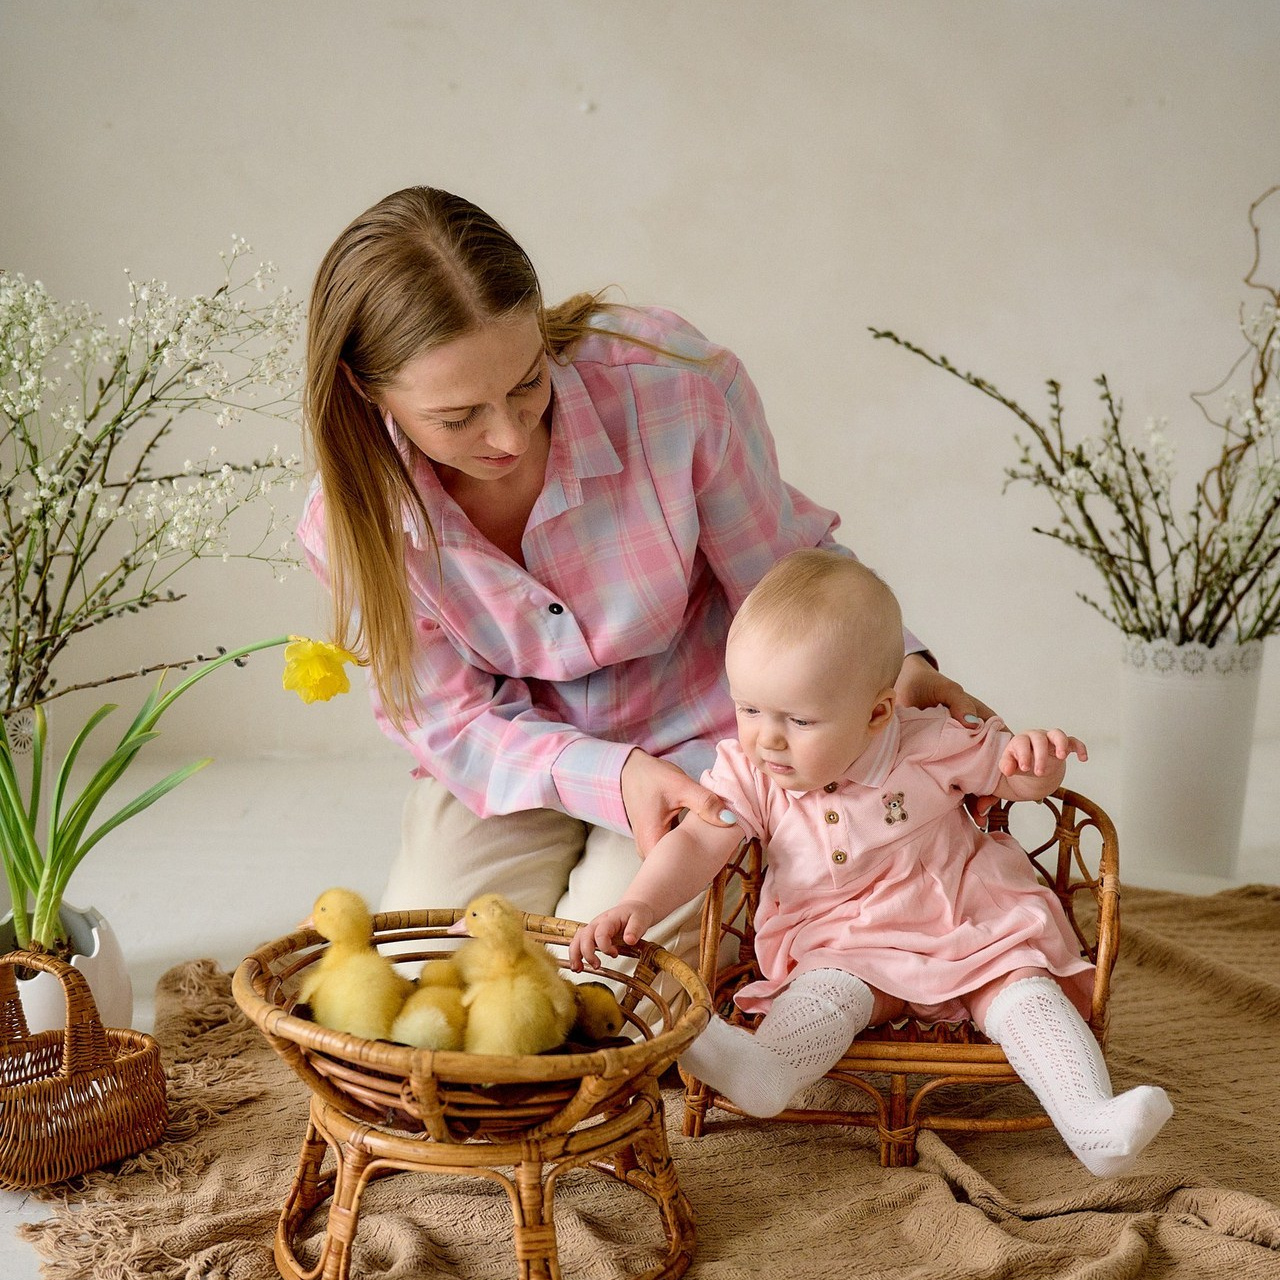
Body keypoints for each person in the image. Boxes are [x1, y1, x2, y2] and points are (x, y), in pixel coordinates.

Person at [297, 185, 988, 978]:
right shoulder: (354, 518)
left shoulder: (675, 388)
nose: (507, 434)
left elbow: (786, 579)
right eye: (457, 418)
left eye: (527, 383)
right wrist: (610, 776)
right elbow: (451, 723)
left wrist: (898, 667)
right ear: (364, 387)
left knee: (612, 983)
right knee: (437, 978)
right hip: (518, 761)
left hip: (710, 740)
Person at [571, 551, 1173, 1177]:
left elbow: (1010, 777)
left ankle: (1090, 1120)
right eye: (748, 710)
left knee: (1024, 991)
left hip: (963, 920)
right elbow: (699, 841)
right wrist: (637, 902)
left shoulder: (927, 742)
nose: (767, 739)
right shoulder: (753, 773)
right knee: (825, 992)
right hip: (844, 936)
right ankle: (766, 1072)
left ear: (878, 712)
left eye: (798, 720)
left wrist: (1035, 765)